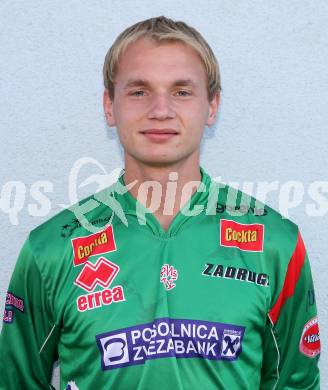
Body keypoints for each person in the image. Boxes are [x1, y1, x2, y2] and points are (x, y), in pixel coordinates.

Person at [0, 15, 321, 390]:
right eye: (139, 91)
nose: (160, 110)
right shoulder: (51, 250)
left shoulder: (276, 244)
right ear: (109, 105)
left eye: (182, 92)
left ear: (212, 106)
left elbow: (295, 383)